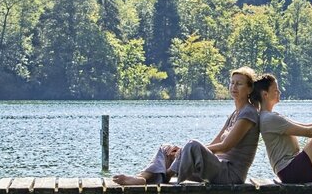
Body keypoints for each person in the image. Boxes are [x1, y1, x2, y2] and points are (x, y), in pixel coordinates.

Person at [112, 67, 261, 185]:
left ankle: (166, 175)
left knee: (192, 145)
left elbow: (225, 146)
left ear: (249, 89)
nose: (234, 87)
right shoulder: (235, 114)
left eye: (239, 84)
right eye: (232, 82)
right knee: (167, 149)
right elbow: (215, 143)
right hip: (215, 168)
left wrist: (187, 152)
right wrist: (183, 153)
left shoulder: (248, 114)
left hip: (229, 174)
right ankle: (142, 178)